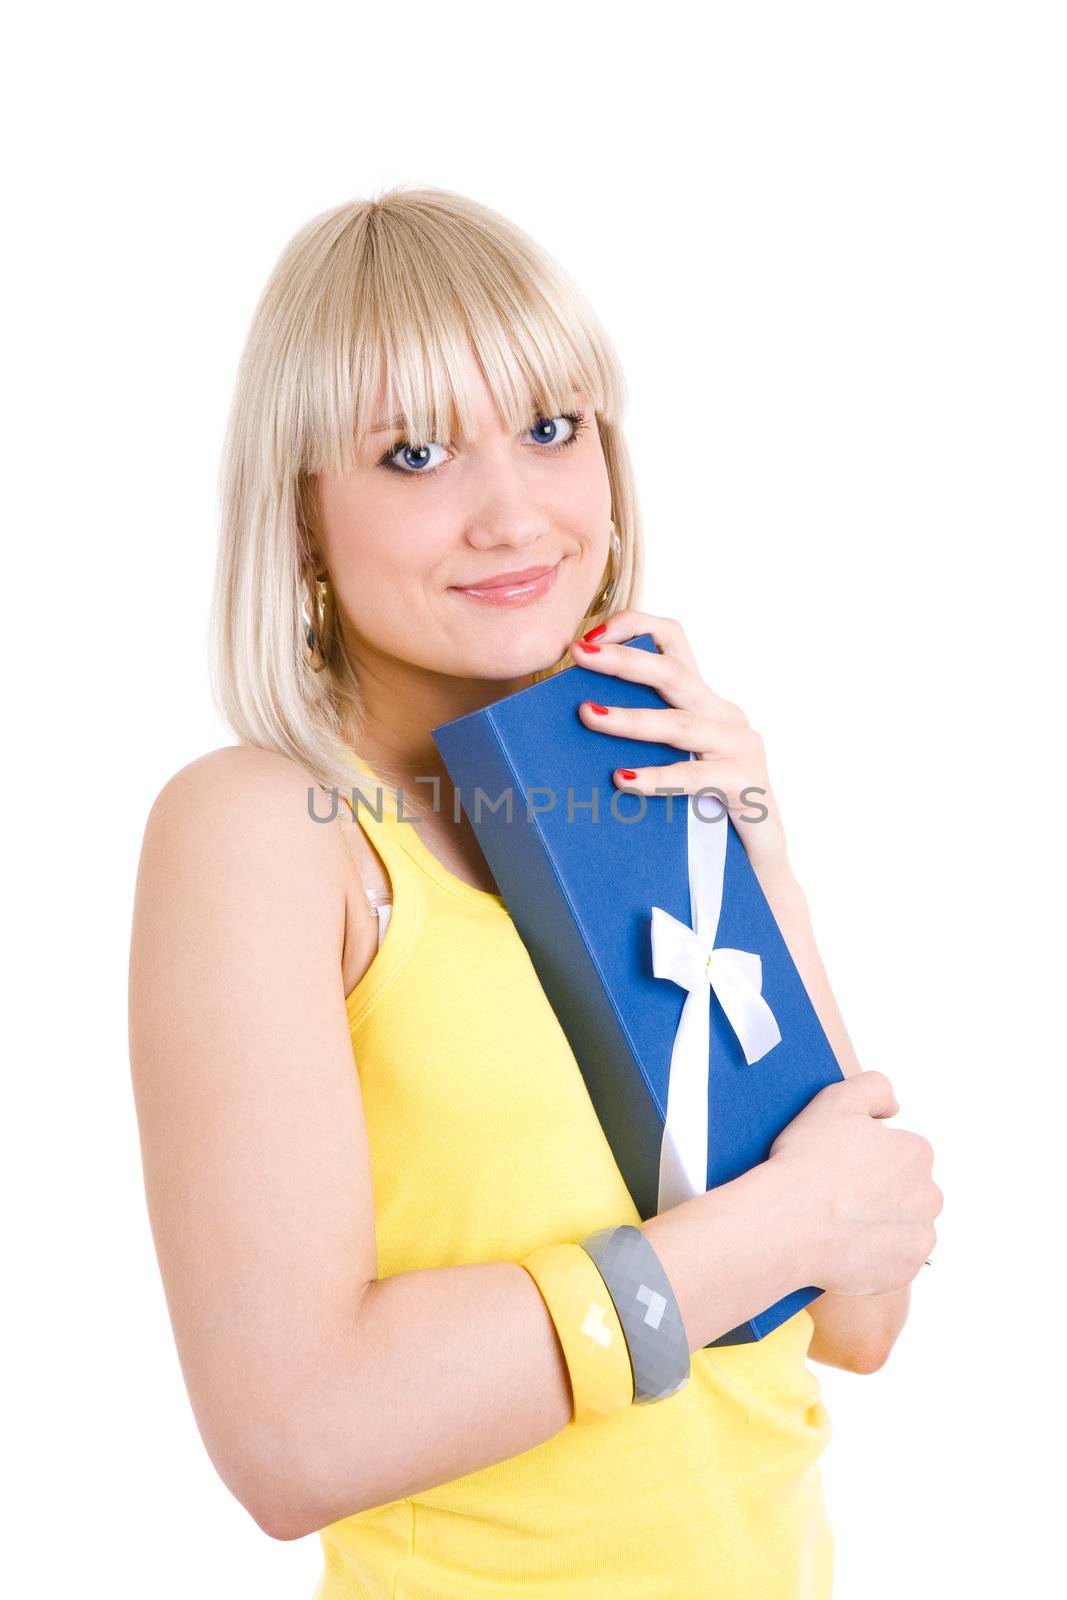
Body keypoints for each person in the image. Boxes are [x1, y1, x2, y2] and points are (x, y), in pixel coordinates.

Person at [127, 184, 942, 1599]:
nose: (514, 515)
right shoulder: (266, 832)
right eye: (416, 450)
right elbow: (293, 1433)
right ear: (304, 517)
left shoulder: (630, 787)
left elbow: (856, 1304)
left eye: (553, 430)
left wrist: (754, 855)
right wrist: (764, 1233)